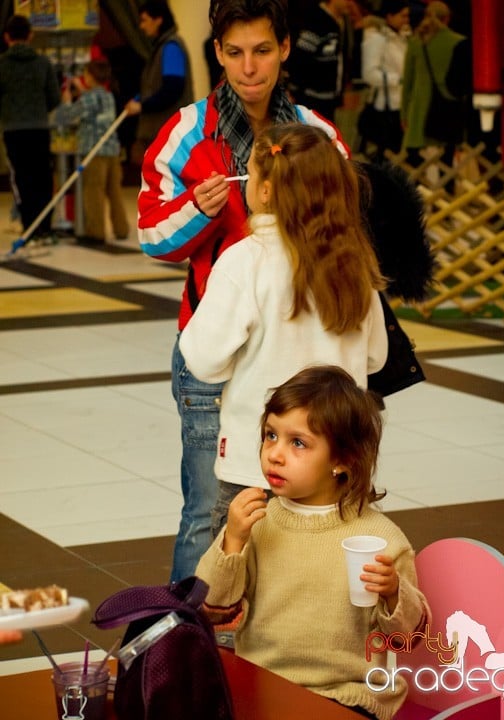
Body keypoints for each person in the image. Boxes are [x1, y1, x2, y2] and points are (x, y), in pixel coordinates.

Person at [137, 0, 348, 584]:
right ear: (217, 54)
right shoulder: (185, 132)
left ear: (284, 49)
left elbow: (347, 228)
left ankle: (274, 645)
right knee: (209, 514)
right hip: (214, 358)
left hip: (300, 356)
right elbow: (152, 236)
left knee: (305, 511)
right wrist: (196, 212)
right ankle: (185, 649)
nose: (248, 68)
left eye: (261, 51)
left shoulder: (318, 134)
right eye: (234, 53)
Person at [180, 122, 388, 535]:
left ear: (267, 191)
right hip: (334, 465)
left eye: (251, 175)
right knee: (323, 580)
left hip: (258, 468)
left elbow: (203, 359)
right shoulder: (354, 262)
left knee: (246, 584)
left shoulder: (246, 261)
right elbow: (376, 356)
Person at [196, 365, 430, 720]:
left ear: (342, 460)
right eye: (270, 435)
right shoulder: (260, 523)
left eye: (298, 443)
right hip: (263, 685)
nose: (274, 453)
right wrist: (232, 541)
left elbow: (408, 638)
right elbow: (212, 607)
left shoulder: (381, 539)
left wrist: (394, 592)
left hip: (346, 696)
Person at [0, 14, 60, 242]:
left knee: (21, 179)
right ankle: (45, 226)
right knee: (43, 177)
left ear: (7, 37)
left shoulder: (2, 65)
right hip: (39, 127)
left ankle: (29, 226)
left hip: (13, 130)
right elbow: (54, 98)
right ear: (31, 36)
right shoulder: (43, 63)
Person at [57, 60, 129, 246]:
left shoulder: (87, 98)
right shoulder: (108, 96)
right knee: (114, 191)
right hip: (112, 150)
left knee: (93, 192)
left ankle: (95, 232)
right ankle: (121, 229)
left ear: (90, 76)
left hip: (93, 151)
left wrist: (66, 102)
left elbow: (69, 116)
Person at [401, 1, 469, 168]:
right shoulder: (459, 41)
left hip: (420, 111)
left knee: (417, 163)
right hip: (450, 109)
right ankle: (447, 192)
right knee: (447, 162)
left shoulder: (416, 42)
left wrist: (404, 114)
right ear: (447, 19)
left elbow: (407, 82)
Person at [125, 1, 193, 162]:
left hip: (167, 133)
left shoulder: (171, 48)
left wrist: (142, 106)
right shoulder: (161, 48)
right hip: (162, 132)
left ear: (158, 20)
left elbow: (172, 89)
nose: (141, 26)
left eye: (144, 20)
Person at [359, 0, 410, 159]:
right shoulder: (377, 40)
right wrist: (399, 80)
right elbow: (369, 73)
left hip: (402, 104)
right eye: (403, 16)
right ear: (390, 16)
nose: (406, 20)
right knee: (386, 154)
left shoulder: (402, 39)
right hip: (385, 106)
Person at [287, 0, 352, 122]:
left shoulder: (340, 22)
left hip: (329, 98)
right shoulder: (316, 21)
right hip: (312, 98)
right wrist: (294, 90)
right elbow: (300, 59)